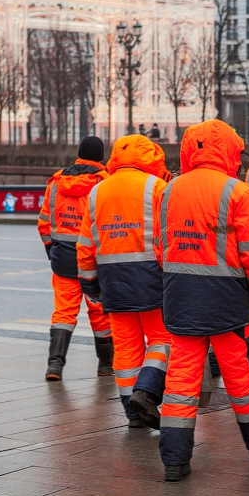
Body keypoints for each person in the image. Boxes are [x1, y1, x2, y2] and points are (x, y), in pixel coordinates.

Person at [155, 119, 249, 481]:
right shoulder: (238, 191)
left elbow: (160, 246)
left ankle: (174, 459)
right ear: (230, 152)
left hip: (181, 295)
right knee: (241, 375)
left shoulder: (169, 190)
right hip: (227, 300)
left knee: (182, 377)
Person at [77, 134, 173, 429]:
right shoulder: (156, 187)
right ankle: (146, 391)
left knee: (127, 347)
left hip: (112, 280)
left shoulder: (97, 191)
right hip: (150, 276)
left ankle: (132, 414)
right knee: (163, 339)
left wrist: (91, 285)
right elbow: (168, 235)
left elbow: (85, 246)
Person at [38, 136, 111, 381]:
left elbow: (44, 223)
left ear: (79, 154)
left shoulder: (57, 181)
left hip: (63, 259)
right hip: (93, 260)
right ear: (101, 157)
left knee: (63, 312)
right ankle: (106, 365)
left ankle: (54, 366)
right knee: (99, 312)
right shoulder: (104, 183)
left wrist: (52, 251)